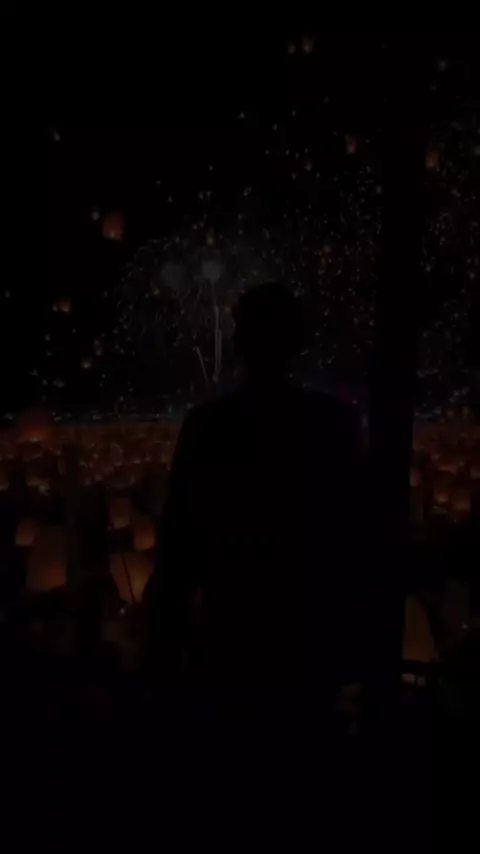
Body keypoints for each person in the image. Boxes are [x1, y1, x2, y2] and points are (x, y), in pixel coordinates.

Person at [150, 282, 366, 848]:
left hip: (232, 636)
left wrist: (164, 637)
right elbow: (355, 536)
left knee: (233, 794)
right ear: (299, 340)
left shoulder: (209, 426)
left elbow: (179, 541)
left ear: (240, 339)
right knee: (301, 795)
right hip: (305, 640)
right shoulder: (333, 425)